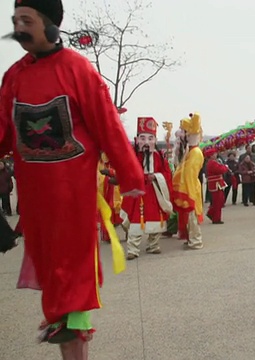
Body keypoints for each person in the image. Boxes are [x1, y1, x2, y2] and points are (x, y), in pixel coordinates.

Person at [1, 0, 145, 357]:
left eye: (26, 20)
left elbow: (107, 125)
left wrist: (130, 176)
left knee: (71, 283)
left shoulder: (79, 70)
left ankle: (71, 339)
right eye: (15, 19)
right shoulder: (14, 76)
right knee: (54, 278)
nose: (18, 26)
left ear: (49, 25)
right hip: (34, 202)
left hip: (72, 197)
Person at [121, 117, 173, 260]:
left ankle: (153, 245)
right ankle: (132, 249)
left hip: (154, 193)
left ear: (155, 141)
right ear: (136, 140)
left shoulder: (159, 157)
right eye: (142, 138)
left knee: (156, 222)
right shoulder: (131, 156)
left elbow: (167, 174)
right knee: (136, 223)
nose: (146, 142)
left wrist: (156, 176)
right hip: (137, 194)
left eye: (150, 138)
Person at [173, 113, 205, 250]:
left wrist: (188, 194)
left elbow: (190, 175)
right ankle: (190, 238)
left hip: (190, 189)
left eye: (184, 132)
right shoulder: (189, 151)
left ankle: (196, 241)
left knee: (193, 216)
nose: (181, 135)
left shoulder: (196, 152)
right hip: (186, 187)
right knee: (188, 217)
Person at [206, 153, 229, 224]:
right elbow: (219, 170)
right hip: (216, 184)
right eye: (214, 154)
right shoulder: (212, 163)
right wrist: (225, 167)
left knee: (220, 200)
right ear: (211, 155)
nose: (216, 155)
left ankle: (211, 213)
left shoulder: (213, 162)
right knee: (218, 202)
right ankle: (216, 218)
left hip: (218, 183)